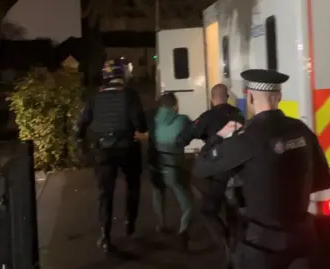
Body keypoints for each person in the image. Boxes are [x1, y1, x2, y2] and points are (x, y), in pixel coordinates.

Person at [192, 69, 330, 269]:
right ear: (280, 97)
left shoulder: (246, 138)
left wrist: (219, 136)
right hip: (302, 237)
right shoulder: (300, 129)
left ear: (249, 97)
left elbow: (200, 168)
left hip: (262, 245)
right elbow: (323, 180)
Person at [75, 58, 147, 253]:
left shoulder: (94, 98)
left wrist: (82, 147)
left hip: (102, 151)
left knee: (104, 194)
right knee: (133, 185)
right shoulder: (130, 96)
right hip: (127, 149)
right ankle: (129, 224)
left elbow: (80, 125)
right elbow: (141, 124)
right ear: (122, 74)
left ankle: (104, 235)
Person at [179, 83, 245, 257]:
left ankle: (225, 241)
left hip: (217, 171)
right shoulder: (239, 115)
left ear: (212, 98)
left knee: (208, 210)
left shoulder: (208, 116)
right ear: (227, 97)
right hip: (238, 169)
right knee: (233, 211)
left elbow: (185, 136)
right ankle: (236, 243)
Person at [141, 92, 194, 250]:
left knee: (158, 192)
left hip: (156, 165)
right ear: (175, 105)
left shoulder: (152, 119)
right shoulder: (183, 119)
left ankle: (161, 224)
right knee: (187, 203)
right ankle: (183, 230)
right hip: (174, 168)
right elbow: (192, 134)